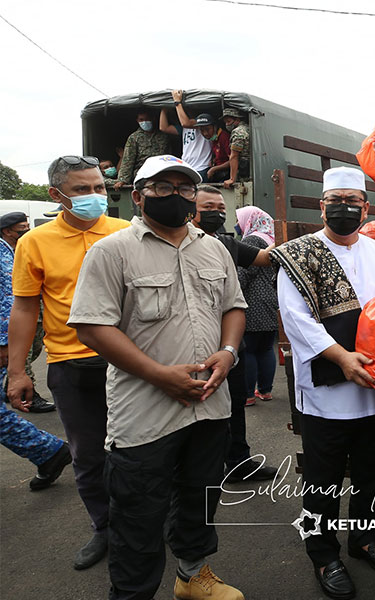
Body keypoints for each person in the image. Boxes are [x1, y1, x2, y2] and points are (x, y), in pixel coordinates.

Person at [69, 155, 247, 600]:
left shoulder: (213, 247)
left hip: (209, 404)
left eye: (184, 188)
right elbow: (93, 325)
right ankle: (132, 594)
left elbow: (233, 306)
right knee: (137, 513)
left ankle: (192, 576)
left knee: (200, 498)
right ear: (138, 196)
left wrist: (227, 353)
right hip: (145, 413)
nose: (176, 196)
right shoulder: (112, 251)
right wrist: (160, 375)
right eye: (162, 188)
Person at [272, 166, 375, 600]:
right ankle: (323, 555)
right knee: (322, 481)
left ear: (366, 207)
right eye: (335, 200)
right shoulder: (298, 254)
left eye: (353, 201)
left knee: (369, 473)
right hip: (326, 388)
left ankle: (363, 540)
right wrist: (341, 357)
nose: (344, 207)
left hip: (374, 384)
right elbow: (296, 320)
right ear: (321, 205)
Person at [8, 155, 131, 570]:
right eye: (82, 190)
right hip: (71, 366)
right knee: (89, 456)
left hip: (132, 363)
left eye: (99, 187)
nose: (95, 196)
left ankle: (151, 523)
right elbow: (25, 308)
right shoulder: (34, 243)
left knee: (142, 450)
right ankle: (106, 528)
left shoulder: (126, 232)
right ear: (56, 195)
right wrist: (19, 370)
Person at [190, 186, 277, 482]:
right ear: (190, 210)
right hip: (190, 341)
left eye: (221, 207)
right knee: (195, 406)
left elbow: (265, 258)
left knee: (234, 401)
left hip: (227, 343)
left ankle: (238, 462)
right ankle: (201, 469)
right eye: (208, 207)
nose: (217, 213)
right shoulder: (176, 244)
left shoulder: (227, 244)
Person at [1, 211, 54, 412]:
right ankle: (28, 396)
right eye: (22, 228)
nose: (27, 230)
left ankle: (9, 386)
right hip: (11, 316)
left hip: (35, 309)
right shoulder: (1, 253)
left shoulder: (22, 249)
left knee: (35, 348)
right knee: (23, 353)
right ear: (7, 231)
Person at [235, 206, 278, 406]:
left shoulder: (253, 240)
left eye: (239, 219)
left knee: (250, 350)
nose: (237, 224)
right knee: (266, 348)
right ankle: (266, 390)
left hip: (254, 303)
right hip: (271, 302)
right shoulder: (273, 239)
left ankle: (248, 395)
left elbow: (244, 273)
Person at [159, 90, 214, 180]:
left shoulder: (201, 121)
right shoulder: (184, 128)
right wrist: (164, 109)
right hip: (187, 167)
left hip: (202, 167)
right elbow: (163, 128)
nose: (186, 110)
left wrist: (177, 103)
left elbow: (186, 123)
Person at [113, 109, 170, 191]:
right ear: (137, 121)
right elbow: (128, 160)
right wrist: (123, 180)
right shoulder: (134, 138)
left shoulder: (163, 136)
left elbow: (169, 156)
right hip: (142, 174)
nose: (145, 122)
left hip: (161, 173)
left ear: (153, 118)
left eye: (147, 119)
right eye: (141, 120)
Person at [221, 108, 251, 189]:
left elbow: (234, 156)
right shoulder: (249, 128)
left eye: (229, 121)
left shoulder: (238, 132)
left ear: (237, 119)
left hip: (243, 171)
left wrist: (232, 179)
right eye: (225, 122)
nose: (227, 125)